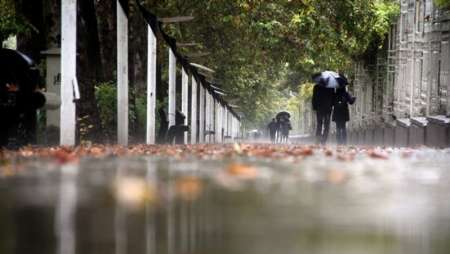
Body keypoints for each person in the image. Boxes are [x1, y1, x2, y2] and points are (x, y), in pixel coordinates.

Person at [312, 81, 334, 145]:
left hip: (319, 108)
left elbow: (314, 98)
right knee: (326, 125)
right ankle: (324, 140)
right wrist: (332, 105)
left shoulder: (316, 86)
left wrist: (314, 107)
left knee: (319, 124)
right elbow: (333, 97)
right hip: (327, 109)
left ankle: (318, 139)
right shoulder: (331, 87)